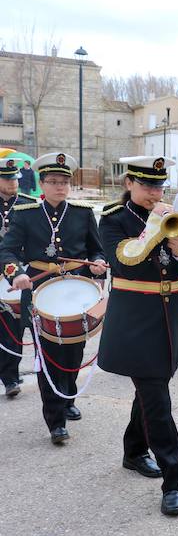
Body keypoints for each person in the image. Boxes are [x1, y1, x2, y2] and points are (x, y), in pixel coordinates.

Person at [98, 155, 178, 516]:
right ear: (130, 182)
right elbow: (123, 260)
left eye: (159, 186)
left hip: (169, 319)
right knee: (157, 400)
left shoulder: (177, 219)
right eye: (147, 185)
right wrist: (154, 226)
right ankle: (173, 482)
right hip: (135, 320)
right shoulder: (113, 220)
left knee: (151, 390)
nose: (154, 193)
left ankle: (133, 451)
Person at [1, 152, 105, 444]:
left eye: (65, 182)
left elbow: (97, 250)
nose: (60, 187)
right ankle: (55, 420)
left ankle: (68, 396)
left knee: (73, 352)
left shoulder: (83, 213)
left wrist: (97, 263)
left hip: (76, 291)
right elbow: (7, 251)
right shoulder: (26, 214)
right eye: (54, 181)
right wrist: (16, 274)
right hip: (39, 291)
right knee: (47, 358)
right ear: (42, 185)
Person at [0, 159, 30, 397]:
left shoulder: (28, 206)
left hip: (19, 274)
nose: (13, 183)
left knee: (14, 328)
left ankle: (10, 377)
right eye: (7, 179)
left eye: (14, 178)